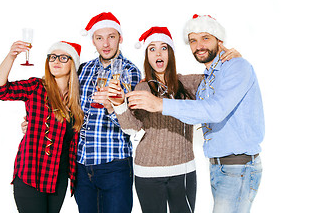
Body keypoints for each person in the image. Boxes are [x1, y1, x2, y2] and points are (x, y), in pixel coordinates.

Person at [126, 14, 264, 213]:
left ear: (220, 40)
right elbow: (133, 125)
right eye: (193, 40)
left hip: (238, 166)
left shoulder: (236, 67)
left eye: (205, 38)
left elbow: (215, 110)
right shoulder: (206, 79)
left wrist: (161, 104)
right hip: (218, 167)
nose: (199, 45)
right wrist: (118, 106)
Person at [107, 26, 240, 213]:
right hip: (147, 172)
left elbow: (220, 83)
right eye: (152, 49)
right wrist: (119, 104)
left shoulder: (190, 83)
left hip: (183, 171)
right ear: (147, 56)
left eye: (163, 47)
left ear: (170, 53)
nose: (158, 53)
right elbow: (132, 129)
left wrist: (233, 61)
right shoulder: (142, 87)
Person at [0, 40, 84, 213]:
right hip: (32, 172)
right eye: (52, 57)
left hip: (58, 177)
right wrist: (11, 56)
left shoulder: (78, 99)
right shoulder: (36, 87)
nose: (56, 61)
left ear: (73, 64)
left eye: (63, 58)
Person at [75, 12, 141, 213]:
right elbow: (71, 110)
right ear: (93, 42)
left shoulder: (131, 71)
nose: (106, 44)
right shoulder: (83, 69)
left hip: (114, 164)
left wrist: (112, 107)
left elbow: (135, 124)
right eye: (99, 38)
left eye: (111, 37)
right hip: (82, 163)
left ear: (120, 38)